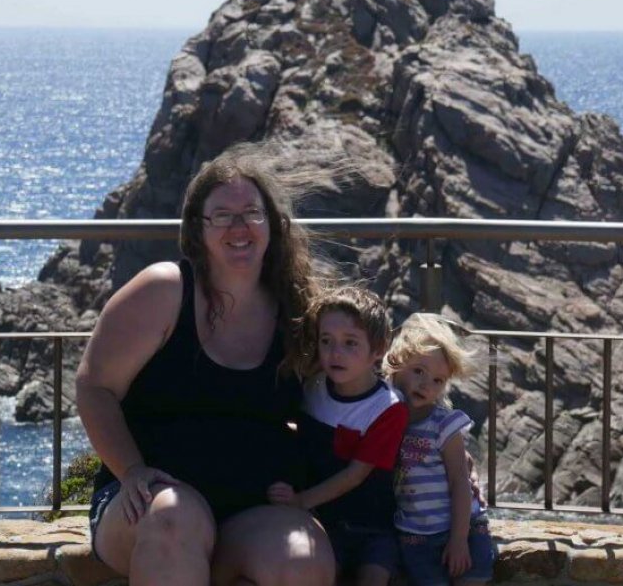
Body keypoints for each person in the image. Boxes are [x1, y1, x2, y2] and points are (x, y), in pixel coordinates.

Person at [75, 151, 334, 586]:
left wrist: (445, 453)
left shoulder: (297, 310)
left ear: (271, 224)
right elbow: (94, 388)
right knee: (175, 520)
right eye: (222, 215)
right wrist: (131, 470)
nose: (239, 227)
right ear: (198, 227)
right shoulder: (164, 290)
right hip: (148, 505)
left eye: (251, 213)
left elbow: (351, 397)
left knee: (303, 559)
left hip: (250, 509)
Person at [268, 286, 408, 586]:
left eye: (350, 343)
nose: (335, 353)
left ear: (379, 348)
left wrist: (301, 501)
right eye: (326, 341)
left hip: (373, 526)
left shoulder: (387, 408)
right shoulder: (313, 389)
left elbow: (356, 474)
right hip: (324, 522)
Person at [387, 313, 495, 586]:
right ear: (397, 363)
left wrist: (459, 541)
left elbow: (459, 481)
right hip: (415, 531)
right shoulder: (383, 416)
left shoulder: (444, 425)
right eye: (418, 371)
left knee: (473, 578)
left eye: (438, 380)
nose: (426, 384)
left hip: (462, 527)